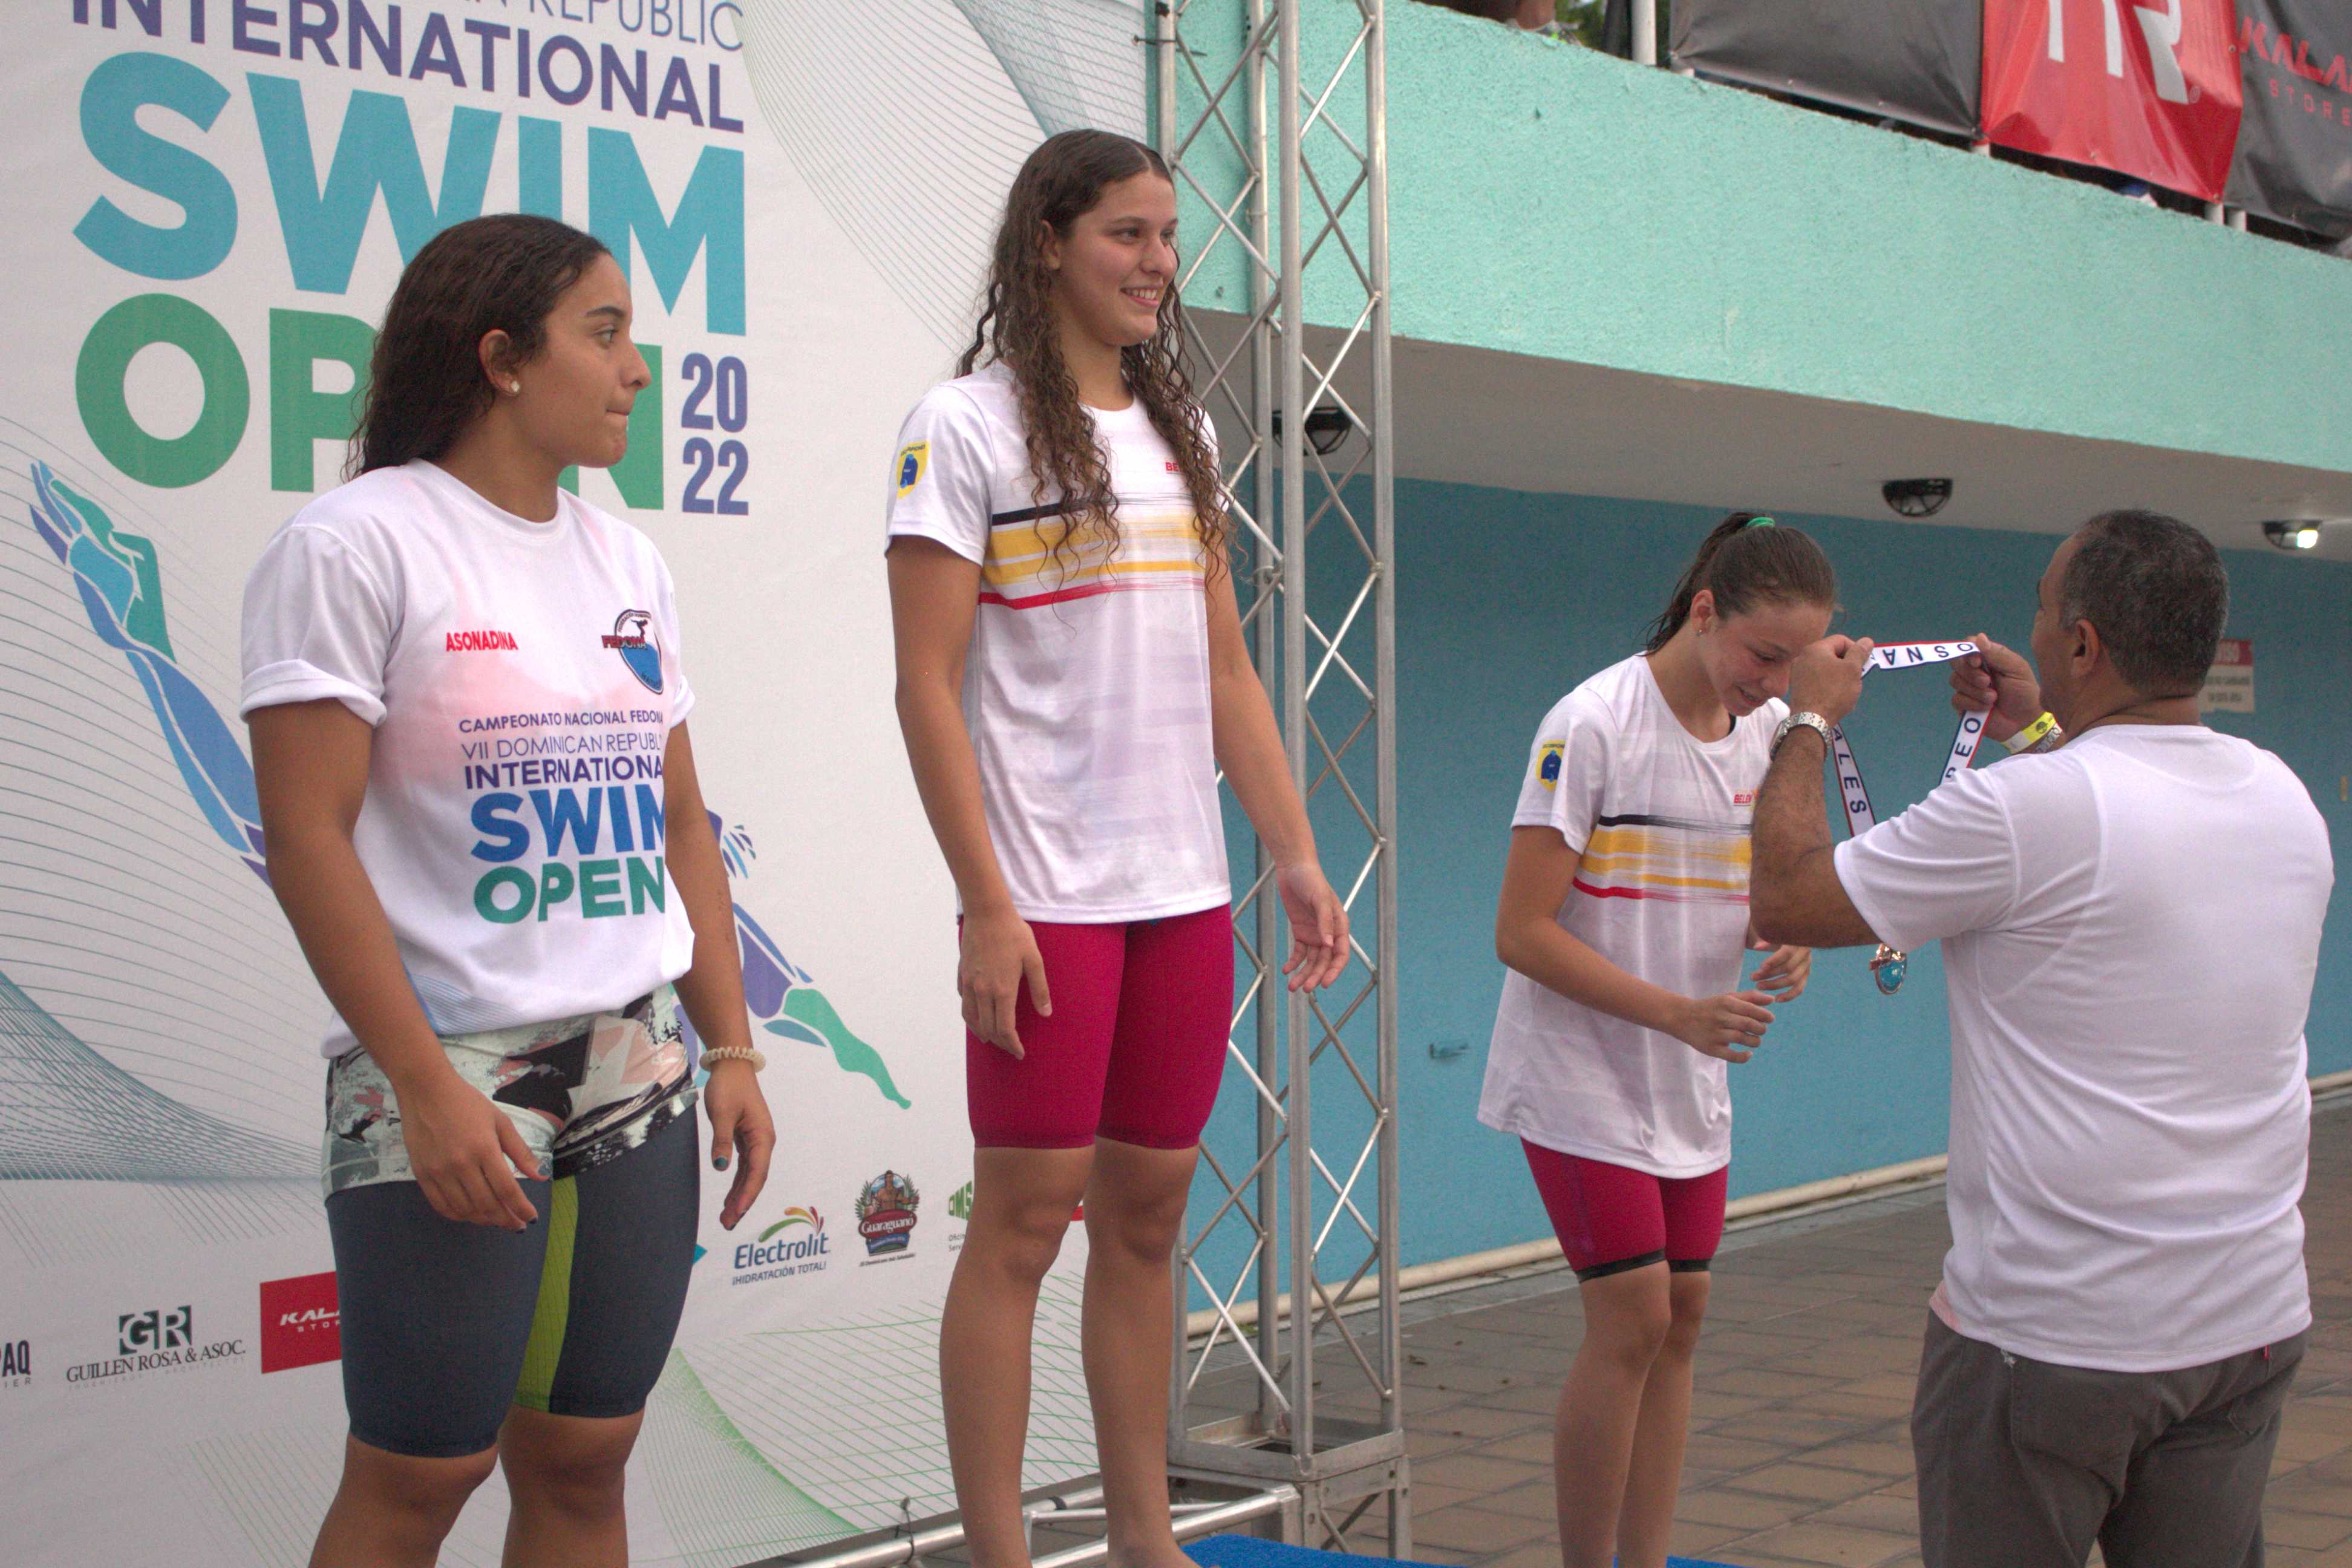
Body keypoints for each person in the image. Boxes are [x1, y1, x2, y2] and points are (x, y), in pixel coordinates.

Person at [239, 214, 776, 1568]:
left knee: (587, 1463)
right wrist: (423, 1086)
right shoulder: (352, 545)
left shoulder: (626, 561)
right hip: (448, 1069)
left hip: (635, 1063)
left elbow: (681, 825)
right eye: (605, 333)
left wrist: (729, 1047)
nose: (637, 369)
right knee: (420, 1475)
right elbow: (306, 838)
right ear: (501, 358)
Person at [884, 129, 1350, 1568]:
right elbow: (924, 687)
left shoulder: (1180, 427)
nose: (1158, 263)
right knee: (1025, 1224)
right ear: (1049, 243)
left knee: (1147, 1222)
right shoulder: (962, 427)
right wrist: (985, 904)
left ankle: (1149, 1540)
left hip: (1182, 892)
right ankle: (1001, 1553)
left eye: (1167, 237)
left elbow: (1227, 671)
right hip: (1045, 900)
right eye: (1127, 235)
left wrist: (1293, 852)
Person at [1749, 511, 2332, 1568]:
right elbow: (2125, 822)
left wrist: (1808, 720)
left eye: (2045, 609)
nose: (2034, 628)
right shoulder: (2282, 795)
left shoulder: (2022, 811)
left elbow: (1788, 897)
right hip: (2246, 1325)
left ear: (2084, 644)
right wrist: (2037, 728)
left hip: (2055, 1341)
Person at [1481, 512, 1828, 1568]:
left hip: (1687, 1074)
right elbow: (1521, 932)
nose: (1775, 683)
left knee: (1682, 1313)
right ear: (1705, 611)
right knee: (1631, 1317)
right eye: (1763, 654)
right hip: (1580, 1072)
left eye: (1794, 663)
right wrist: (1676, 1012)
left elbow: (1752, 887)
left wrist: (1782, 935)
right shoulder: (1593, 724)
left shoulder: (1768, 732)